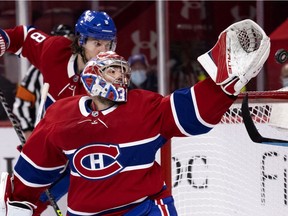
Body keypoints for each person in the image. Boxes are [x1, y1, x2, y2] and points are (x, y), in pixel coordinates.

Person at [0, 19, 270, 215]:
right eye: (111, 71)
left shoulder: (142, 106)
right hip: (80, 183)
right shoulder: (58, 89)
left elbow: (190, 112)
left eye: (121, 70)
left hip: (143, 207)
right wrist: (19, 199)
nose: (120, 76)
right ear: (81, 43)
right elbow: (23, 36)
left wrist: (222, 85)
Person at [0, 10, 117, 215]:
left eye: (108, 44)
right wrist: (4, 39)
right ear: (81, 41)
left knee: (38, 204)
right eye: (97, 44)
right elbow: (24, 36)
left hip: (80, 158)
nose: (103, 51)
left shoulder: (112, 78)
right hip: (45, 148)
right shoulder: (56, 52)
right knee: (16, 201)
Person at [12, 24, 75, 139]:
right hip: (44, 136)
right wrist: (28, 130)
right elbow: (21, 104)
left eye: (67, 41)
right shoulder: (37, 70)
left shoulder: (83, 69)